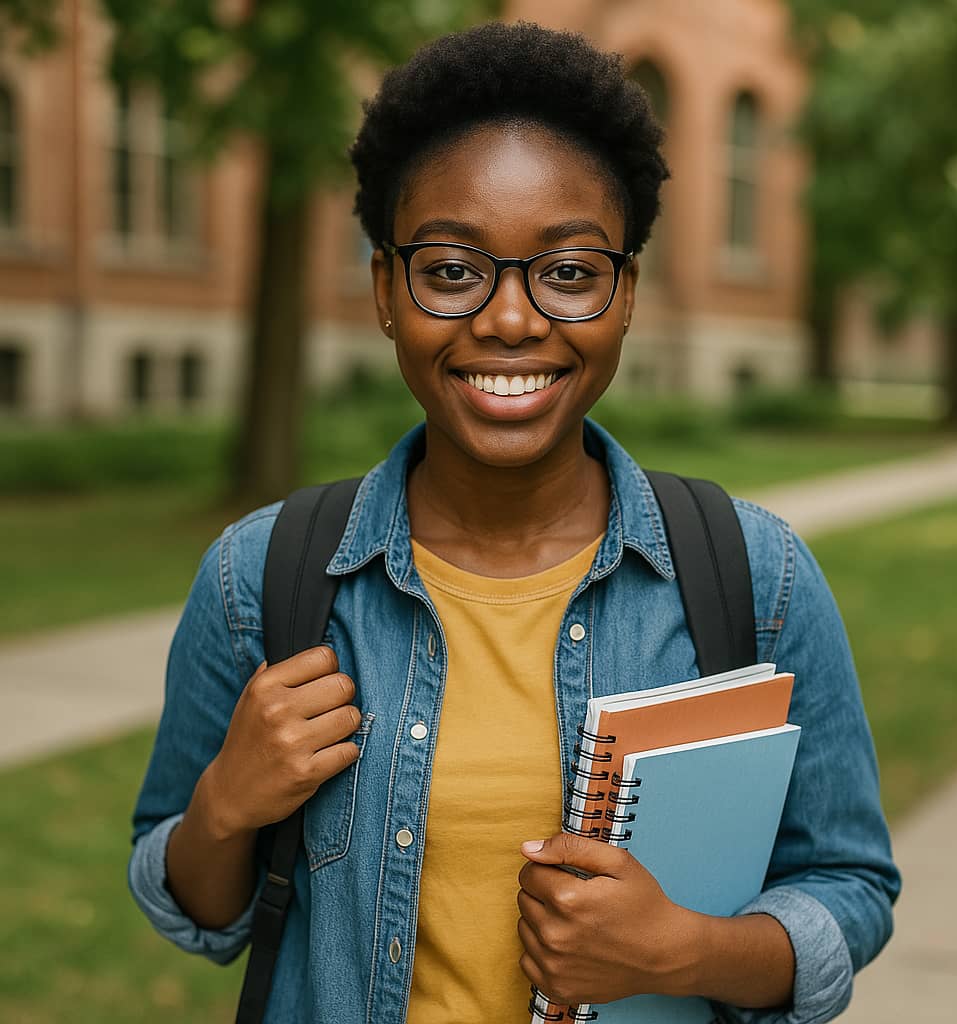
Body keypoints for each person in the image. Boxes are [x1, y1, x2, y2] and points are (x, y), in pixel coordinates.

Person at [128, 21, 900, 1024]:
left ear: (623, 294)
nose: (508, 319)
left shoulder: (755, 575)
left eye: (569, 272)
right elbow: (191, 903)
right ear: (385, 293)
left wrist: (688, 951)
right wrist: (224, 808)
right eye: (451, 269)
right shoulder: (259, 577)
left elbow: (847, 884)